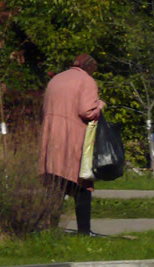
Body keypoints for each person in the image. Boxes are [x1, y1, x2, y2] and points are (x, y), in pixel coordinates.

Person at [38, 54, 105, 234]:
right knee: (82, 183)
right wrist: (99, 105)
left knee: (56, 183)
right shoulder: (86, 81)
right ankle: (84, 231)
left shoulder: (56, 79)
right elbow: (87, 111)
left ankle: (49, 228)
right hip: (73, 136)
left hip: (51, 136)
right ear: (89, 67)